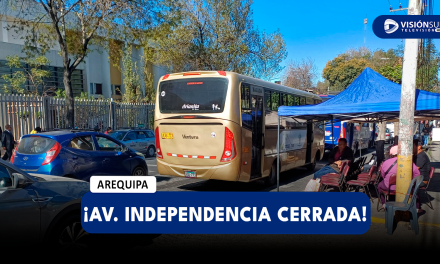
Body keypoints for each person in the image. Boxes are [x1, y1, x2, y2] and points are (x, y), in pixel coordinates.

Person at [377, 145, 421, 211]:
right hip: (406, 188)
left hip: (389, 187)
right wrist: (411, 183)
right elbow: (417, 174)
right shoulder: (408, 162)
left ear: (391, 154)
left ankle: (384, 204)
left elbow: (383, 175)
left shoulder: (385, 162)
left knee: (379, 186)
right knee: (414, 189)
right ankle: (417, 207)